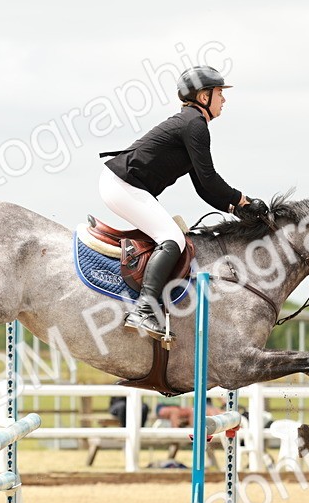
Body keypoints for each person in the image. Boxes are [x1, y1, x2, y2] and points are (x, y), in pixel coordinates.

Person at [99, 65, 269, 339]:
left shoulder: (191, 123)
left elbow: (203, 188)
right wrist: (243, 201)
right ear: (204, 97)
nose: (224, 99)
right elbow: (210, 179)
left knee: (171, 236)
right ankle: (143, 310)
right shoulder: (195, 125)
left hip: (121, 184)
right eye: (219, 93)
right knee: (172, 238)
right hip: (122, 184)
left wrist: (236, 209)